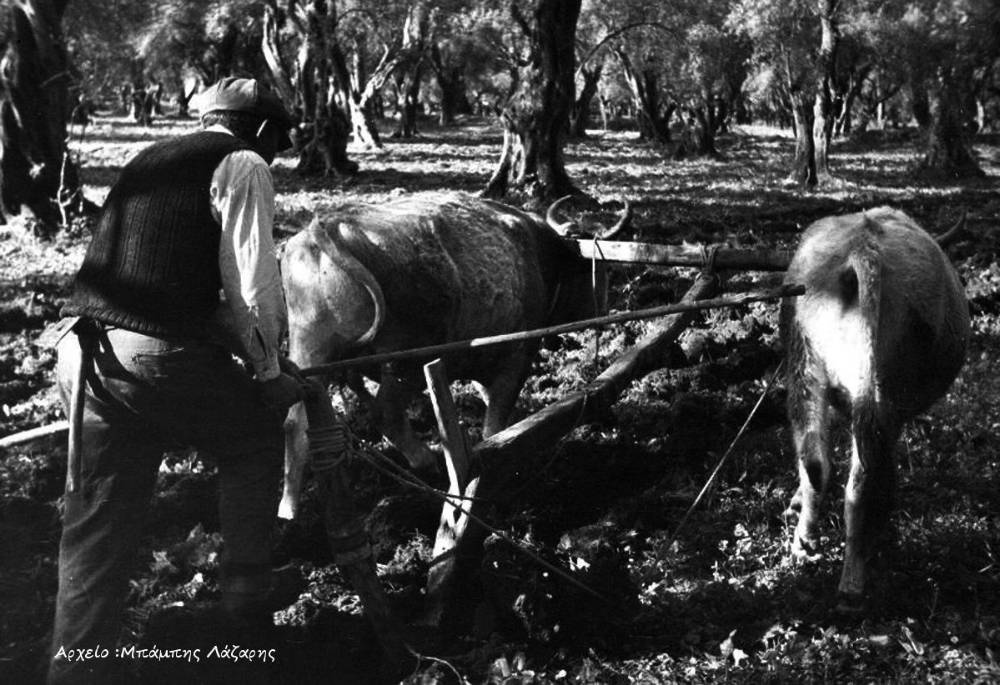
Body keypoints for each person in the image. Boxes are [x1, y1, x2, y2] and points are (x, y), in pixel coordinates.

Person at [48, 77, 305, 684]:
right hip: (149, 359)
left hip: (81, 354)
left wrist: (253, 356)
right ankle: (246, 621)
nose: (278, 151)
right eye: (280, 139)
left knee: (96, 526)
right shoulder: (242, 163)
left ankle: (76, 670)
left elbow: (168, 280)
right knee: (254, 439)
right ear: (263, 130)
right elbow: (253, 288)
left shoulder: (153, 158)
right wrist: (269, 374)